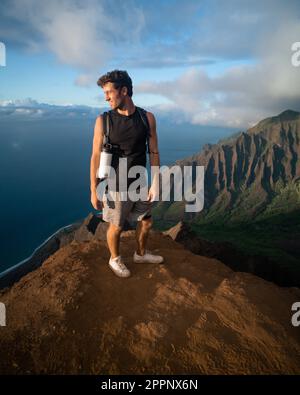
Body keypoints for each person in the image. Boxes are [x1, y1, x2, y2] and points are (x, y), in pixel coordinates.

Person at [90, 70, 164, 278]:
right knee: (117, 226)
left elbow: (154, 151)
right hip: (115, 185)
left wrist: (156, 181)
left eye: (108, 92)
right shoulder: (103, 121)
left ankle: (140, 254)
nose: (106, 97)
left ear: (124, 91)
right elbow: (95, 156)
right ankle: (114, 259)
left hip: (140, 180)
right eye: (104, 93)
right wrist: (94, 190)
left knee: (147, 221)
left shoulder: (146, 117)